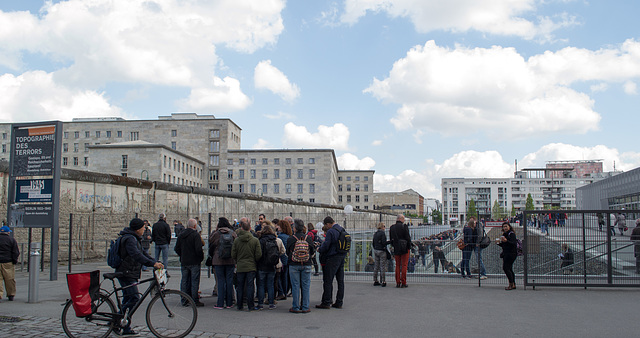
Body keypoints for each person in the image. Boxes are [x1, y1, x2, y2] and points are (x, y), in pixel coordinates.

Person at [115, 218, 164, 336]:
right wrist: (152, 264)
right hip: (126, 273)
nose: (144, 230)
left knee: (128, 299)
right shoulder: (129, 239)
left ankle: (123, 325)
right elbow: (136, 255)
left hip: (129, 272)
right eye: (143, 228)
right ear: (137, 229)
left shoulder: (133, 238)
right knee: (134, 298)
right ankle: (117, 321)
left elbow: (143, 253)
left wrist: (155, 261)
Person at [316, 216, 346, 309]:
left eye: (326, 225)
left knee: (328, 280)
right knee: (340, 281)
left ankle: (326, 302)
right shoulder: (341, 229)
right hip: (341, 256)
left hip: (332, 257)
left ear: (328, 224)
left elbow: (326, 245)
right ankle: (339, 302)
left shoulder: (331, 231)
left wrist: (319, 249)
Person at [231, 218, 262, 311]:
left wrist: (237, 260)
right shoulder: (255, 240)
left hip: (240, 266)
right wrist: (254, 260)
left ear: (241, 228)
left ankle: (240, 305)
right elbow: (258, 254)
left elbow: (233, 254)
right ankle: (250, 305)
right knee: (250, 286)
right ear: (250, 228)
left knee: (240, 286)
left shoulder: (237, 240)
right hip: (251, 266)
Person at [287, 219, 315, 313]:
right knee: (306, 286)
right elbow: (312, 250)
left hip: (294, 264)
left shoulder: (291, 238)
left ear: (294, 228)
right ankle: (305, 306)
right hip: (306, 263)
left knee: (295, 286)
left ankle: (295, 307)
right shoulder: (308, 238)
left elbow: (288, 252)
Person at [174, 218, 204, 307]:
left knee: (184, 280)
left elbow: (176, 248)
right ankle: (194, 299)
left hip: (184, 261)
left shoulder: (181, 235)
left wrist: (182, 255)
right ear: (195, 226)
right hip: (194, 261)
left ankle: (184, 299)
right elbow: (198, 249)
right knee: (194, 281)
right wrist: (200, 258)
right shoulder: (195, 235)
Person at [208, 217, 237, 309]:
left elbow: (210, 241)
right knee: (229, 281)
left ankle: (220, 303)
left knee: (220, 281)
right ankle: (229, 303)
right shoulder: (232, 233)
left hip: (218, 260)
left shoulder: (216, 234)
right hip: (230, 260)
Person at [256, 224, 282, 310]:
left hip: (262, 265)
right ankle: (271, 303)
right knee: (270, 284)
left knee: (261, 285)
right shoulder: (274, 240)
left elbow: (259, 253)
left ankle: (260, 304)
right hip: (272, 265)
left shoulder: (261, 240)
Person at [390, 214, 411, 288]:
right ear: (401, 219)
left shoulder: (392, 227)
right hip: (405, 248)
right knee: (404, 265)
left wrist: (394, 245)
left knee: (397, 265)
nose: (404, 220)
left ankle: (398, 282)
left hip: (396, 248)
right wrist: (409, 247)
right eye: (404, 219)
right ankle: (403, 282)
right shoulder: (404, 227)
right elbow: (408, 238)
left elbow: (391, 239)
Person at [0, 226, 19, 301]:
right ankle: (11, 294)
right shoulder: (11, 240)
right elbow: (15, 252)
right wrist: (14, 261)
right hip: (8, 261)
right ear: (8, 232)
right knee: (9, 279)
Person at [497, 222, 518, 290]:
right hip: (506, 253)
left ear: (509, 226)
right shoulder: (505, 234)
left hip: (511, 253)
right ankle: (513, 284)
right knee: (509, 268)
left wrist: (506, 241)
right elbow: (504, 245)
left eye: (506, 226)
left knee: (506, 268)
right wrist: (499, 243)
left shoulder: (511, 234)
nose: (505, 228)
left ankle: (511, 284)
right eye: (503, 227)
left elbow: (513, 244)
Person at [276, 219, 292, 301]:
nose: (277, 227)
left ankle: (281, 292)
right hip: (287, 259)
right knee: (285, 277)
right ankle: (284, 292)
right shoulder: (289, 236)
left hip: (281, 259)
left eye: (278, 225)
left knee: (278, 277)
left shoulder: (280, 237)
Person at [372, 222, 390, 287]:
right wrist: (390, 242)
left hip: (376, 250)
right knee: (382, 266)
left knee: (376, 266)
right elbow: (384, 242)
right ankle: (383, 281)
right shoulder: (382, 233)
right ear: (382, 227)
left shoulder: (375, 233)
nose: (385, 228)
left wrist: (375, 248)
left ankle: (375, 280)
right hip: (382, 251)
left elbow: (373, 243)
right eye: (384, 226)